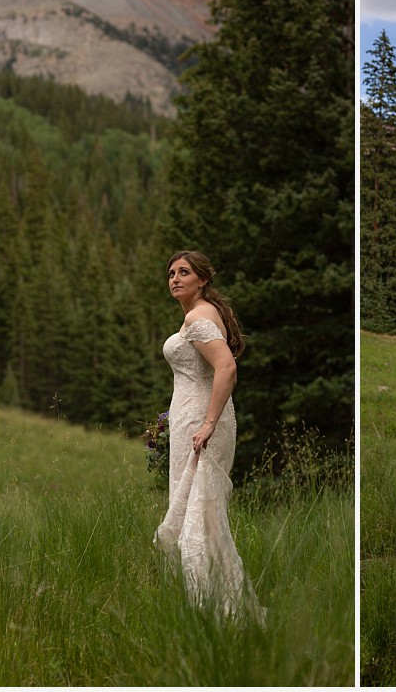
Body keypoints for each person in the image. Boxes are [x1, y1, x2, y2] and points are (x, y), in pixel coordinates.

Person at [153, 250, 265, 625]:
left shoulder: (198, 317)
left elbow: (227, 367)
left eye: (184, 272)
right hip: (192, 420)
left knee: (197, 516)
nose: (175, 278)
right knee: (200, 513)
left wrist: (209, 422)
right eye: (171, 273)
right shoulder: (200, 315)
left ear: (202, 280)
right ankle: (215, 605)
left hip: (201, 423)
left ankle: (209, 612)